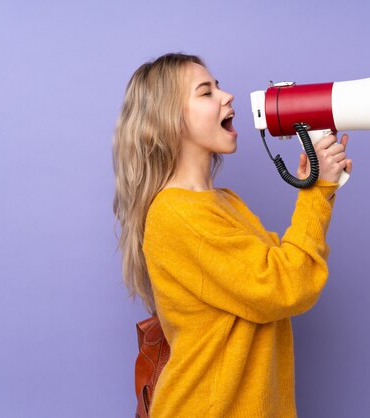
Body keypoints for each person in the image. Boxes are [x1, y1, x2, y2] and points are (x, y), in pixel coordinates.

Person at [112, 53, 352, 418]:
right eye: (206, 92)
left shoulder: (223, 202)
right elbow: (285, 284)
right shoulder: (176, 214)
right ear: (170, 120)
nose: (227, 96)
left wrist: (319, 186)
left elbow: (284, 263)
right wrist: (316, 193)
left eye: (219, 86)